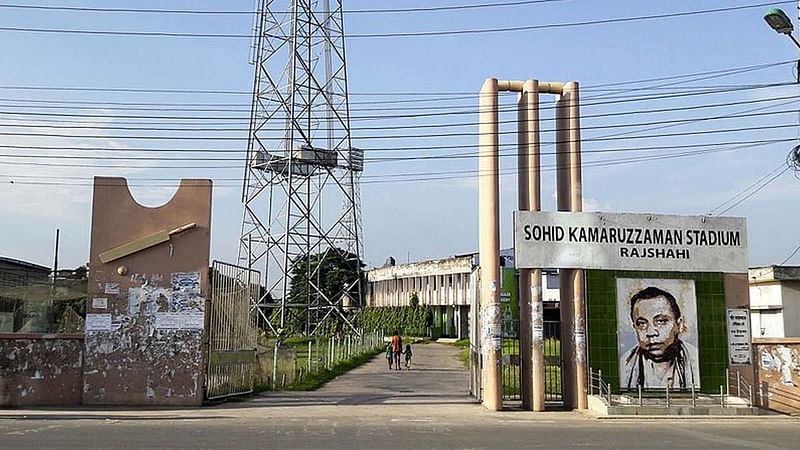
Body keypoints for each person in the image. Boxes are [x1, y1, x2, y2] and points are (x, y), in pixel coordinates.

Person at [620, 286, 700, 389]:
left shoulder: (697, 362)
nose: (651, 332)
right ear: (635, 327)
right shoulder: (624, 365)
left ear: (679, 325)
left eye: (661, 321)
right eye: (642, 324)